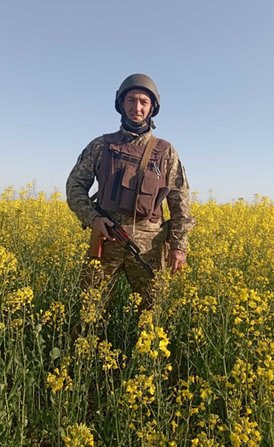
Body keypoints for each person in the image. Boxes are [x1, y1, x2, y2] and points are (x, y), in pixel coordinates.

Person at [66, 73, 194, 310]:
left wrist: (178, 247)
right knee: (90, 311)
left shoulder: (165, 152)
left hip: (150, 249)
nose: (137, 107)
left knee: (152, 315)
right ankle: (87, 348)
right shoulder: (101, 145)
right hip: (107, 241)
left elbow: (180, 202)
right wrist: (93, 219)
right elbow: (74, 187)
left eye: (144, 102)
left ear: (152, 108)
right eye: (131, 101)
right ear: (121, 105)